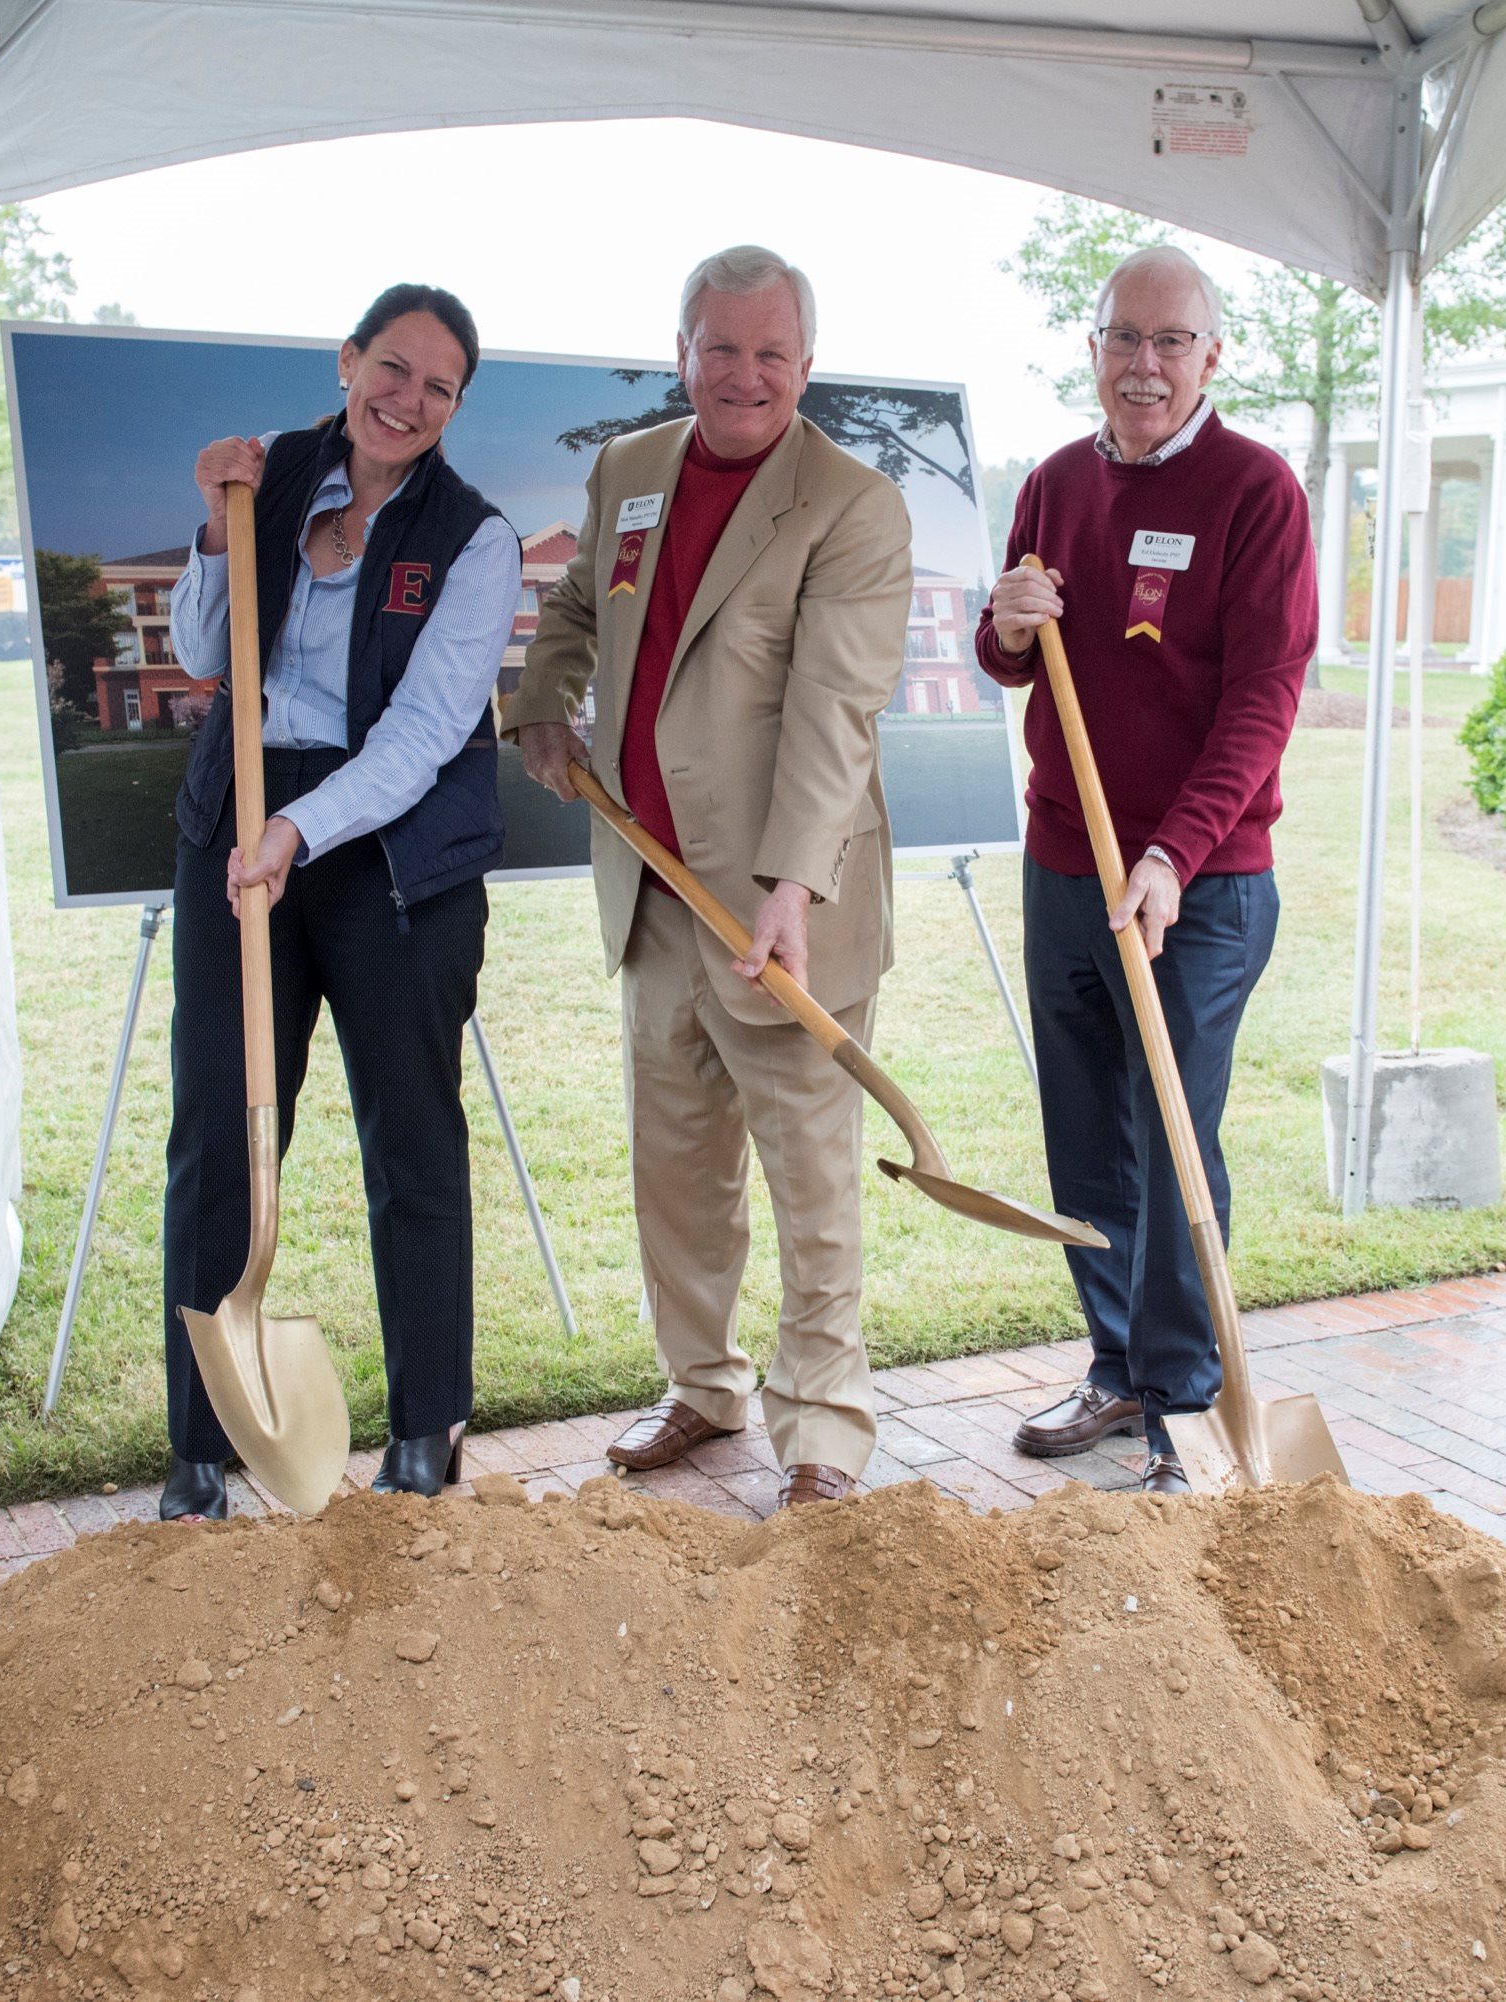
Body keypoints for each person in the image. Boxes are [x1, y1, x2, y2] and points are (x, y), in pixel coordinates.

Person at [509, 246, 912, 1508]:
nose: (746, 375)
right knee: (676, 1160)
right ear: (681, 350)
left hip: (779, 906)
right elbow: (578, 607)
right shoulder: (631, 472)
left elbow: (836, 714)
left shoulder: (851, 505)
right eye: (721, 348)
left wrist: (790, 886)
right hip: (647, 876)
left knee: (809, 1172)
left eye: (772, 353)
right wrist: (542, 705)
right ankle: (703, 1383)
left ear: (806, 362)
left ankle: (826, 1430)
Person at [157, 283, 522, 1513]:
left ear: (454, 407)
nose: (408, 400)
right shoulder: (269, 478)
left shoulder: (474, 538)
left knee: (410, 1138)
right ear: (348, 359)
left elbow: (424, 733)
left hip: (391, 857)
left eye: (439, 387)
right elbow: (207, 653)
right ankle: (200, 1448)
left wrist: (301, 829)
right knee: (218, 1131)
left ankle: (426, 1434)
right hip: (238, 835)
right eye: (394, 367)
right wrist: (214, 532)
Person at [977, 244, 1315, 1494]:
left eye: (1173, 343)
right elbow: (1009, 650)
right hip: (1067, 859)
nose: (1146, 365)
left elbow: (1262, 700)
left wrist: (1176, 853)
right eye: (1125, 338)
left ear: (1212, 357)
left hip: (1201, 884)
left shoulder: (1257, 492)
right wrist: (1008, 623)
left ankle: (1186, 1401)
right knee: (1087, 1136)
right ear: (1094, 349)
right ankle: (1116, 1361)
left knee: (1171, 1136)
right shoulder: (1056, 483)